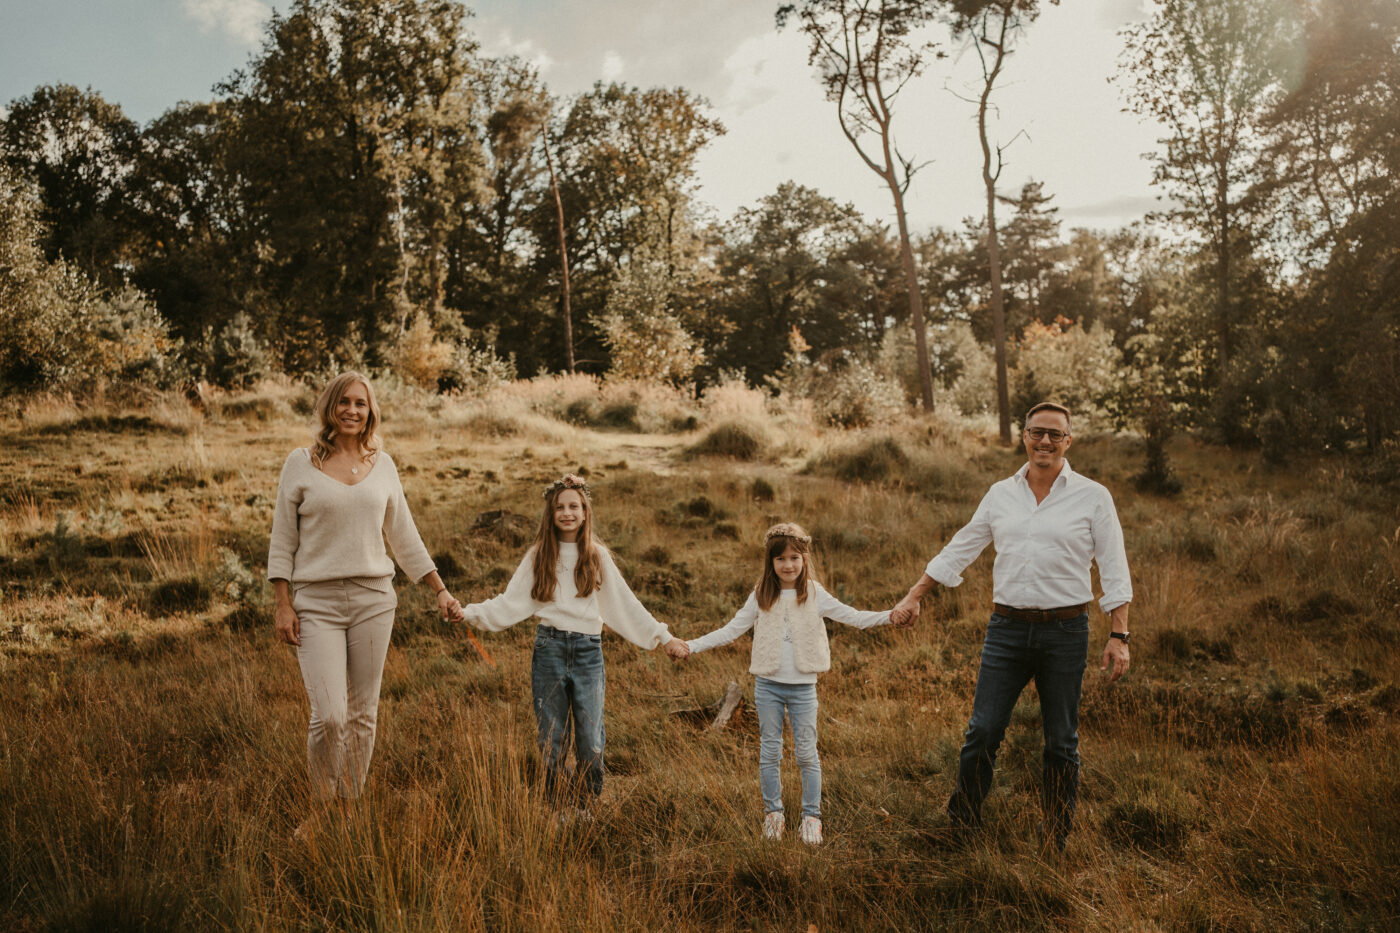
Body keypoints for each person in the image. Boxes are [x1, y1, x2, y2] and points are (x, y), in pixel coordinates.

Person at [893, 402, 1132, 851]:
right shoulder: (1000, 493)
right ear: (1023, 436)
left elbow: (1114, 566)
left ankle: (1055, 837)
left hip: (1065, 632)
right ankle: (961, 828)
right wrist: (915, 594)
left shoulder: (1093, 496)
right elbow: (962, 546)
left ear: (1068, 442)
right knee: (982, 730)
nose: (1045, 441)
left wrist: (1118, 635)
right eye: (1037, 432)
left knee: (1061, 741)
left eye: (1055, 435)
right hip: (1006, 630)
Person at [268, 372, 463, 825]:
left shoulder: (384, 465)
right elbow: (283, 536)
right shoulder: (301, 463)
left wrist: (440, 590)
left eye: (361, 403)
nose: (352, 411)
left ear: (370, 410)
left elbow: (404, 536)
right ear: (330, 407)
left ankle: (348, 805)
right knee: (330, 716)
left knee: (363, 714)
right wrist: (283, 602)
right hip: (316, 601)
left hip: (375, 599)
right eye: (344, 402)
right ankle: (320, 806)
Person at [460, 474, 690, 815]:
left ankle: (586, 805)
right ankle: (558, 807)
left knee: (590, 736)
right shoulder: (539, 555)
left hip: (587, 652)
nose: (567, 513)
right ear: (550, 514)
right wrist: (468, 614)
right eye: (560, 507)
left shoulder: (596, 556)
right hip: (549, 649)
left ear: (584, 512)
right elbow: (508, 602)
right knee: (551, 735)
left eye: (574, 506)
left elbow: (625, 605)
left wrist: (663, 637)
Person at [682, 522, 904, 846]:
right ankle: (774, 814)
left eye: (794, 558)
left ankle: (811, 817)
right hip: (768, 686)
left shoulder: (815, 593)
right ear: (770, 563)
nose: (788, 565)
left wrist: (890, 616)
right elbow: (730, 630)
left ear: (804, 559)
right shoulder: (761, 595)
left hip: (803, 688)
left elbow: (854, 617)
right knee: (770, 751)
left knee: (806, 753)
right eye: (780, 559)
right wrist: (691, 645)